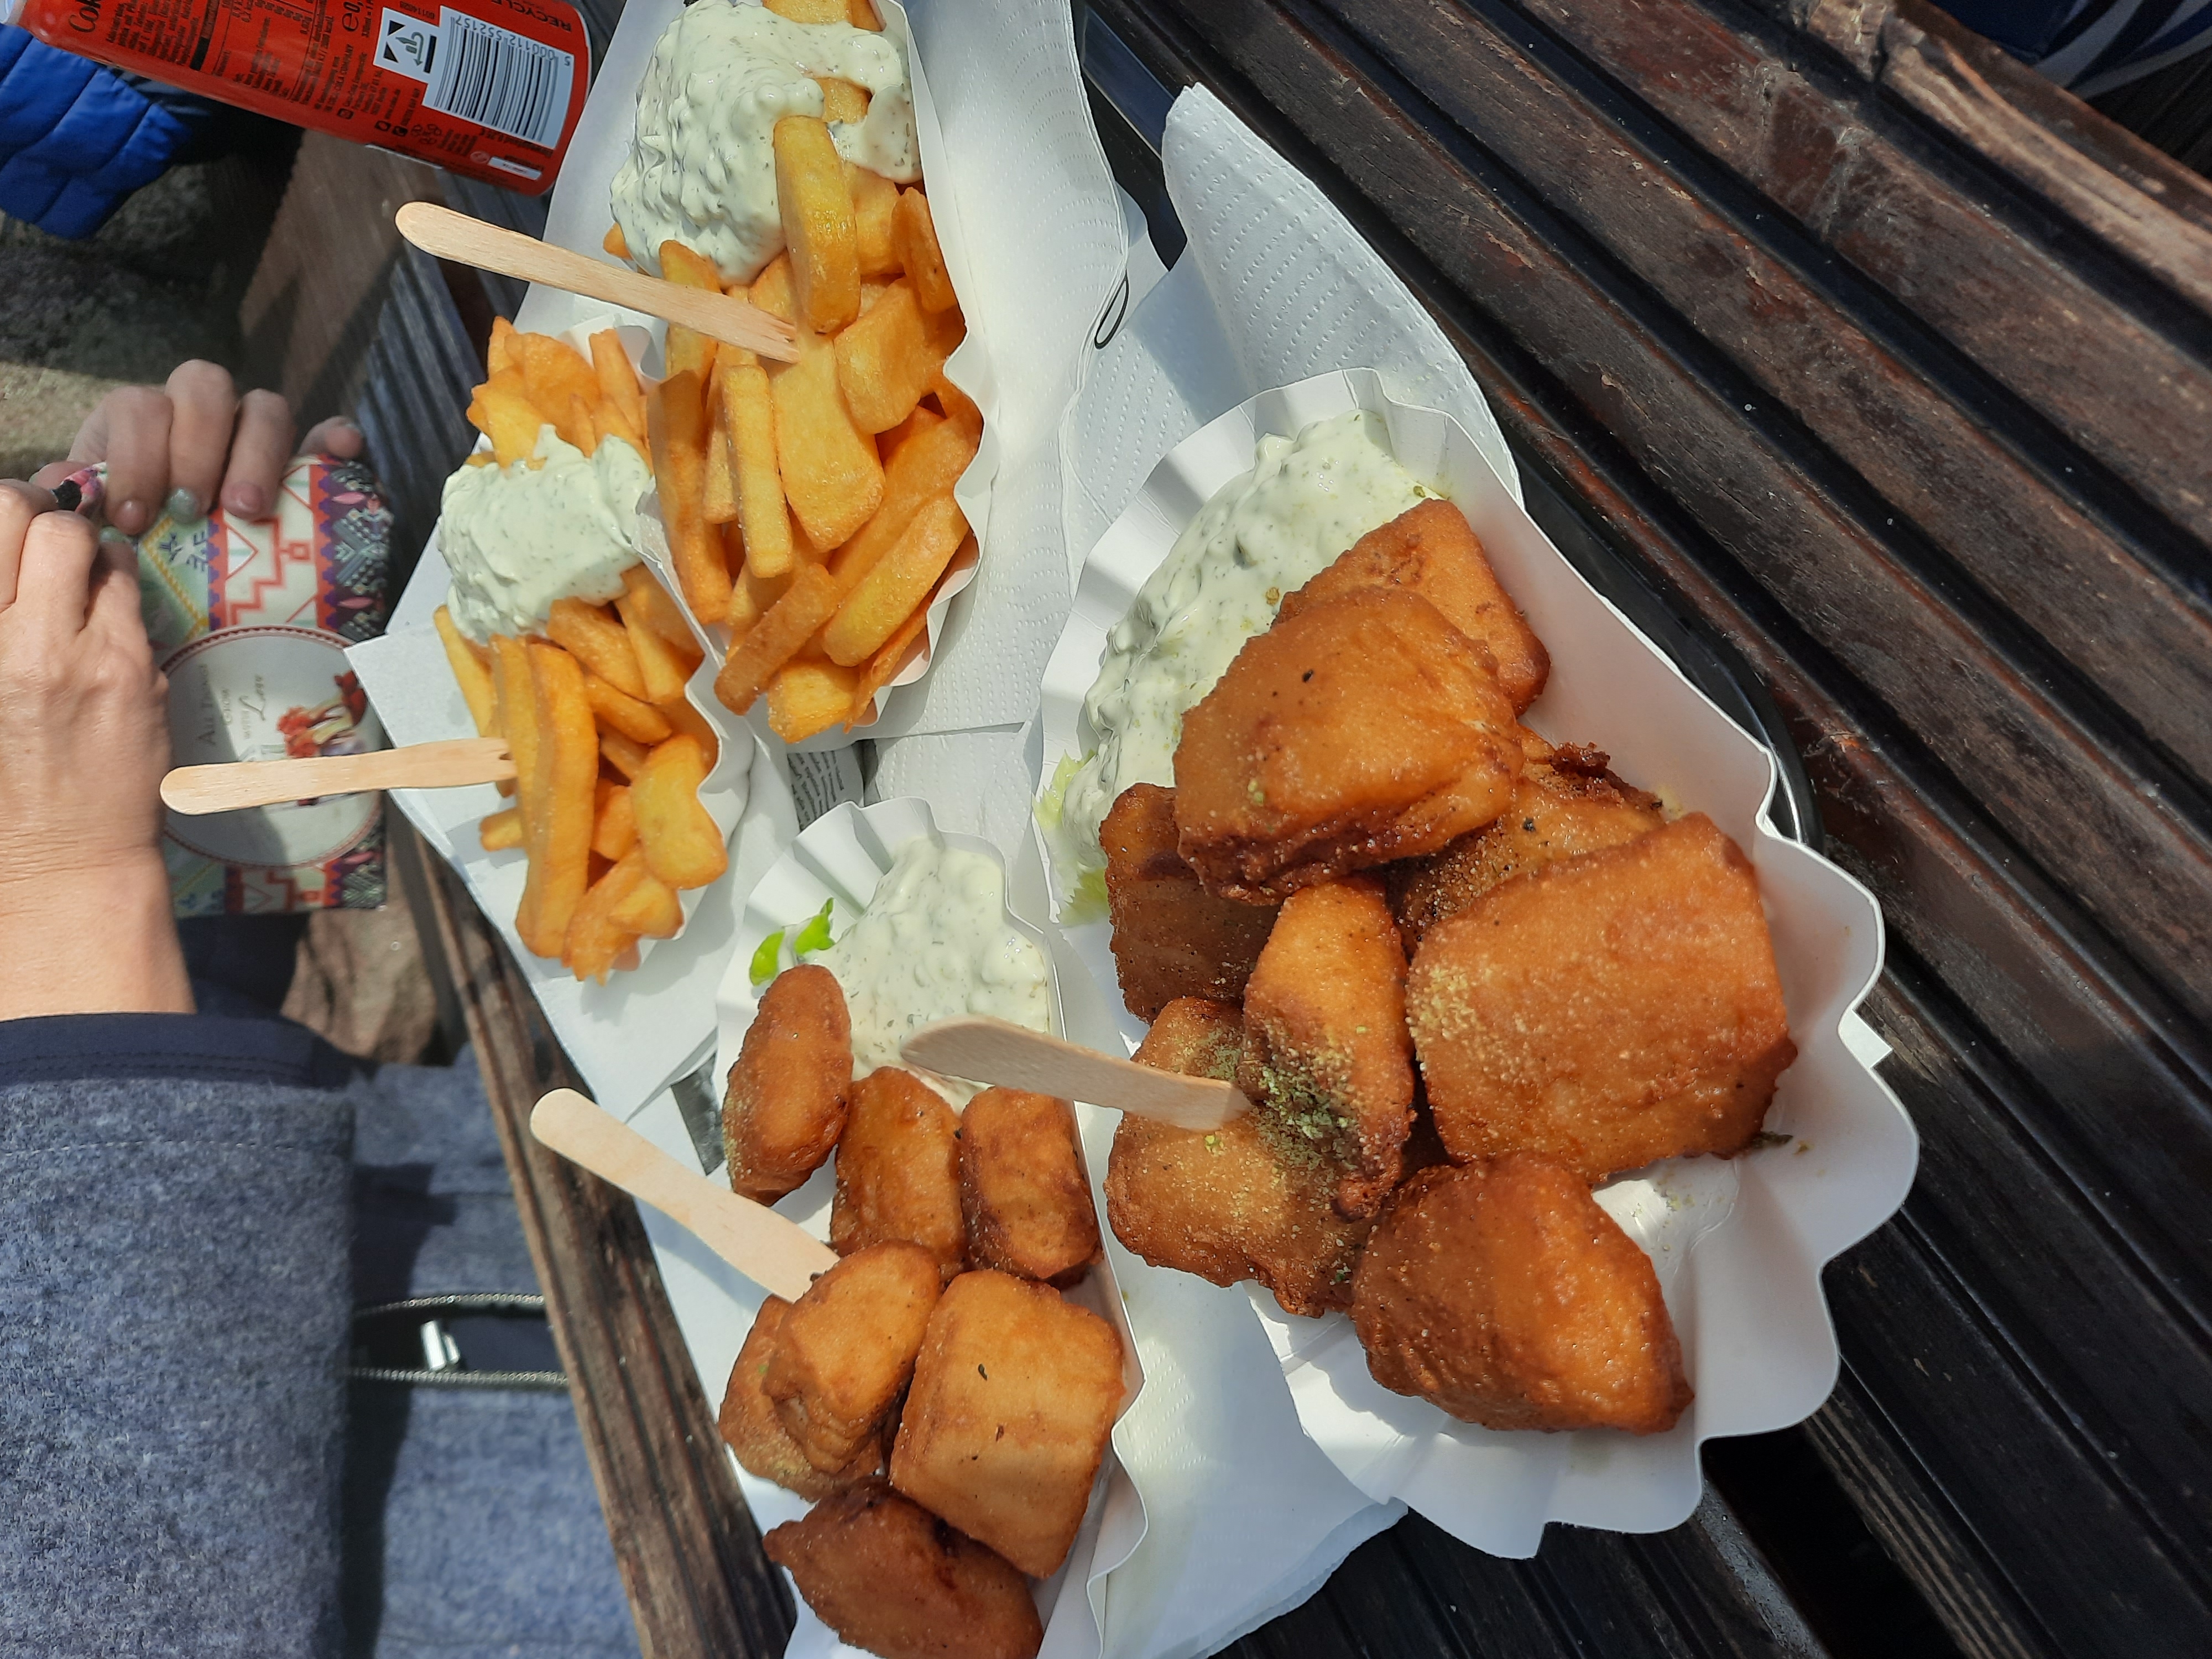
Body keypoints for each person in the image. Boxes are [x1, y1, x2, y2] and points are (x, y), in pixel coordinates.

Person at [0, 367, 639, 1656]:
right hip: (736, 1571)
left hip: (642, 1147)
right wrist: (66, 883)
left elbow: (225, 1023)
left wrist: (207, 622)